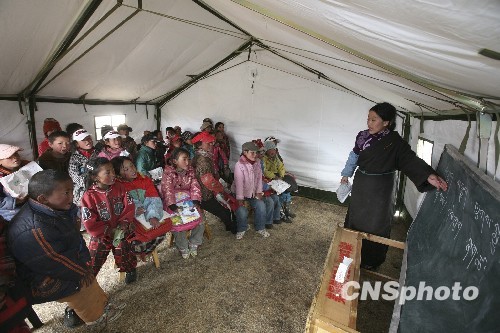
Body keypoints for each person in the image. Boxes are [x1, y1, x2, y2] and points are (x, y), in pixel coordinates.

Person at [8, 170, 123, 328]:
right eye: (66, 192)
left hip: (59, 265)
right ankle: (97, 319)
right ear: (43, 198)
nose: (72, 196)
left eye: (71, 190)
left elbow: (74, 240)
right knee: (82, 284)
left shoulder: (56, 209)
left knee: (87, 274)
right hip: (38, 280)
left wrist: (84, 263)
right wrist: (82, 272)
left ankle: (98, 307)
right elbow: (53, 261)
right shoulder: (34, 228)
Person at [340, 102, 448, 270]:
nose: (369, 123)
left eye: (374, 119)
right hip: (362, 184)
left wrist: (428, 175)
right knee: (356, 217)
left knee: (376, 223)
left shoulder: (394, 142)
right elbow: (354, 155)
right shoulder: (362, 136)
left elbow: (409, 159)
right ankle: (350, 251)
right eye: (368, 119)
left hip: (381, 188)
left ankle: (370, 260)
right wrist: (346, 175)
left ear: (386, 122)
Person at [80, 157, 137, 283]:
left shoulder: (120, 187)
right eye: (107, 172)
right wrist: (108, 231)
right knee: (94, 259)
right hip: (101, 234)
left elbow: (129, 206)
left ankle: (130, 269)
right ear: (95, 177)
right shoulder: (89, 196)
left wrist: (124, 223)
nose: (113, 174)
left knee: (124, 251)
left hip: (121, 229)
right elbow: (90, 223)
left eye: (112, 170)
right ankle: (88, 282)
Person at [112, 156, 167, 259]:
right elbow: (123, 207)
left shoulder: (144, 179)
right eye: (126, 169)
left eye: (132, 166)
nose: (132, 170)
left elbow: (153, 198)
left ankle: (145, 252)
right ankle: (142, 253)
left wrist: (152, 216)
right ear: (118, 175)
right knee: (135, 243)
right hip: (131, 221)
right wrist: (135, 210)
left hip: (149, 215)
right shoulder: (118, 187)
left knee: (161, 233)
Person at [161, 148, 204, 259]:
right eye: (184, 159)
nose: (187, 162)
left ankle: (194, 242)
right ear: (175, 161)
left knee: (199, 221)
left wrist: (195, 200)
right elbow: (167, 190)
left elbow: (195, 186)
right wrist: (172, 205)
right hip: (174, 203)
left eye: (188, 159)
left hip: (188, 201)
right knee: (177, 225)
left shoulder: (191, 171)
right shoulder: (168, 173)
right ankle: (183, 247)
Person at [192, 131, 237, 234]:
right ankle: (234, 228)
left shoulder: (201, 156)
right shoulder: (203, 160)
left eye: (211, 142)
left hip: (205, 192)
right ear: (199, 145)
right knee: (225, 210)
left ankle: (231, 226)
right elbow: (208, 181)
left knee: (226, 207)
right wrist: (220, 188)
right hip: (205, 196)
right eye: (208, 143)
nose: (211, 144)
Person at [231, 142, 270, 239]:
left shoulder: (257, 163)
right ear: (245, 152)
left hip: (252, 193)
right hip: (239, 193)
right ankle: (242, 228)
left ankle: (260, 227)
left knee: (261, 205)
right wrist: (240, 199)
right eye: (252, 153)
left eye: (256, 153)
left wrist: (259, 192)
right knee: (241, 211)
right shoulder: (239, 165)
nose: (255, 155)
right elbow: (239, 183)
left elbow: (259, 179)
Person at [262, 140, 296, 221]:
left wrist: (281, 175)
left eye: (274, 149)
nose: (272, 151)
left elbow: (281, 166)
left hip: (277, 177)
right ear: (266, 151)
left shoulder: (276, 157)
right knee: (279, 191)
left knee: (287, 188)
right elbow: (264, 171)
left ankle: (286, 209)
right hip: (269, 178)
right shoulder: (263, 158)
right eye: (270, 149)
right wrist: (274, 176)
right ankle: (280, 212)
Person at [254, 140, 281, 228]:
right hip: (255, 190)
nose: (262, 154)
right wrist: (268, 186)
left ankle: (276, 217)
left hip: (263, 186)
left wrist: (269, 183)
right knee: (269, 201)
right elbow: (254, 181)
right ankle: (267, 221)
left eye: (263, 152)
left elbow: (262, 176)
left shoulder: (260, 162)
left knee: (276, 198)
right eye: (260, 152)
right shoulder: (253, 164)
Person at [68, 129, 98, 209]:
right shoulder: (74, 158)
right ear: (77, 144)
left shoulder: (98, 153)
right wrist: (92, 183)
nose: (87, 141)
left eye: (89, 138)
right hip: (82, 193)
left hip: (99, 190)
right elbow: (75, 176)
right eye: (83, 140)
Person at [0, 145, 29, 221]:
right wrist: (16, 201)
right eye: (9, 157)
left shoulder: (27, 166)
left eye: (16, 154)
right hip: (12, 211)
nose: (15, 157)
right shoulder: (1, 177)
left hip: (30, 201)